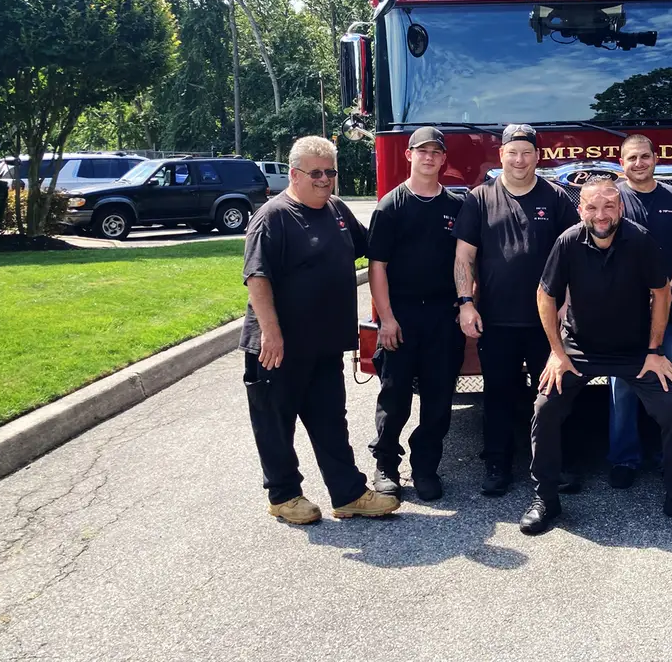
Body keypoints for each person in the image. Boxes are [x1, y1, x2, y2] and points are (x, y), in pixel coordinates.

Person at [521, 176, 672, 535]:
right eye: (592, 207)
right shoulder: (568, 241)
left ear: (620, 207)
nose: (601, 215)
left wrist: (654, 351)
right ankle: (546, 499)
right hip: (580, 348)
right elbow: (546, 296)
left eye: (609, 206)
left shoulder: (639, 240)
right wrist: (557, 353)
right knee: (545, 408)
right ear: (581, 209)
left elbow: (661, 293)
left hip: (634, 350)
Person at [240, 136, 399, 524]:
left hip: (325, 344)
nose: (325, 179)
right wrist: (271, 333)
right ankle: (283, 496)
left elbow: (373, 247)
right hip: (279, 347)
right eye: (316, 173)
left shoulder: (336, 210)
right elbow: (256, 278)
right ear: (293, 175)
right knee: (276, 422)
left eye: (330, 172)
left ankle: (347, 494)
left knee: (331, 421)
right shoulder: (273, 217)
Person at [454, 124, 580, 496]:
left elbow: (573, 254)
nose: (519, 159)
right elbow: (465, 256)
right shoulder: (480, 198)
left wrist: (567, 304)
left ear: (537, 157)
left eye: (526, 152)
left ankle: (556, 465)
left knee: (553, 394)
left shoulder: (556, 197)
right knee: (498, 394)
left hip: (547, 320)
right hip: (496, 317)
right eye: (513, 152)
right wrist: (466, 304)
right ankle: (497, 464)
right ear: (501, 155)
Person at [366, 127, 465, 503]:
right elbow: (378, 267)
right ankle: (386, 465)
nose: (429, 157)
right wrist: (386, 319)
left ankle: (426, 468)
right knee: (394, 398)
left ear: (443, 159)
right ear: (409, 156)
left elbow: (465, 261)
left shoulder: (456, 206)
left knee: (439, 399)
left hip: (443, 316)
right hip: (402, 315)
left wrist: (464, 303)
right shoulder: (391, 206)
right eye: (421, 151)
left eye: (435, 152)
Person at [607, 134, 672, 489]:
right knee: (622, 390)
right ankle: (624, 459)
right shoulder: (613, 200)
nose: (639, 163)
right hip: (624, 316)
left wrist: (669, 293)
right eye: (632, 158)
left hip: (671, 312)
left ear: (655, 159)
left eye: (645, 157)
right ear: (621, 163)